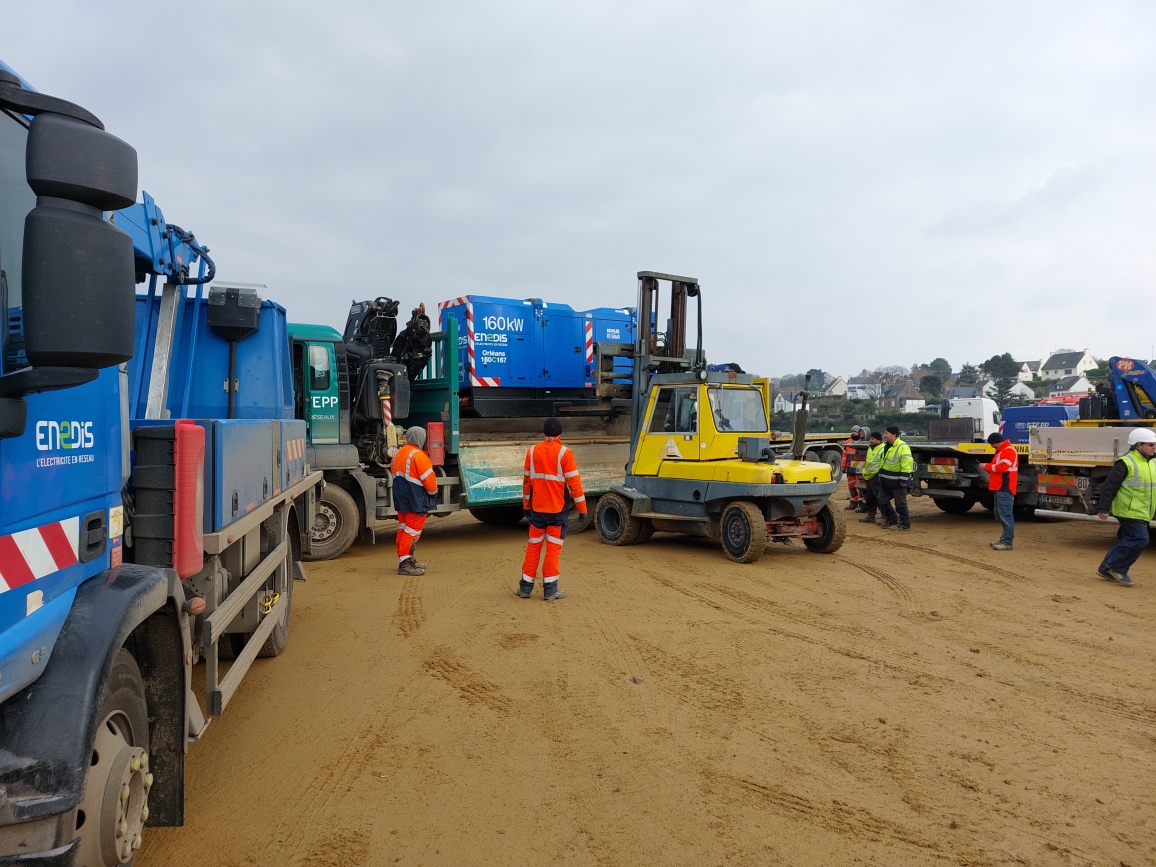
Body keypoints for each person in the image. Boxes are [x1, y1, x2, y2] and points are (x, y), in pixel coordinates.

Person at [519, 418, 587, 601]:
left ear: (544, 433)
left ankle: (525, 588)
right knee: (552, 550)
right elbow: (575, 485)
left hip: (537, 511)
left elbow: (526, 483)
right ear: (560, 434)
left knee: (533, 548)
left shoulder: (532, 452)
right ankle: (550, 590)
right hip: (557, 512)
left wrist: (526, 506)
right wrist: (582, 509)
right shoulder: (565, 453)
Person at [1094, 427, 1156, 587]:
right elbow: (1109, 486)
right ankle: (1117, 568)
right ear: (1139, 446)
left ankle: (1105, 568)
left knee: (1126, 539)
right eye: (1151, 445)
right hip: (1128, 510)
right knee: (1140, 538)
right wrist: (1103, 508)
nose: (1154, 448)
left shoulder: (1153, 462)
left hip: (1143, 511)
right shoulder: (1126, 462)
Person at [390, 426, 439, 576]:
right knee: (412, 531)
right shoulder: (418, 455)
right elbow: (429, 480)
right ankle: (405, 563)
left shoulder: (398, 454)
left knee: (403, 528)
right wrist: (433, 493)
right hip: (415, 498)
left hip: (401, 497)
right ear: (420, 438)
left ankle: (406, 559)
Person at [982, 432, 1018, 551]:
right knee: (999, 514)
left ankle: (1007, 542)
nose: (992, 447)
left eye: (992, 445)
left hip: (1004, 487)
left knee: (1005, 515)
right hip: (1000, 486)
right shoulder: (1003, 450)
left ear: (996, 442)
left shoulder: (1008, 450)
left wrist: (986, 466)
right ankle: (1004, 539)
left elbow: (1003, 468)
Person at [877, 425, 914, 530]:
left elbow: (907, 463)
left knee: (900, 504)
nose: (884, 435)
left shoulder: (902, 446)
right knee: (881, 501)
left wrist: (904, 479)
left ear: (894, 434)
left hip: (898, 482)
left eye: (886, 433)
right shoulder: (885, 446)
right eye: (884, 433)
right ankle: (892, 519)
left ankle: (905, 525)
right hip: (886, 481)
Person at [859, 430, 885, 524]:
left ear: (878, 440)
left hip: (876, 475)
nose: (870, 440)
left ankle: (884, 515)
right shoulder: (870, 448)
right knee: (870, 497)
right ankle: (871, 515)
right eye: (870, 438)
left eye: (873, 439)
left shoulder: (882, 448)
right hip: (869, 475)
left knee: (879, 496)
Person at [841, 425, 867, 511]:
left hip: (858, 467)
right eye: (852, 431)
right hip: (850, 467)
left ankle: (860, 503)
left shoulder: (862, 442)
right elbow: (844, 455)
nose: (853, 433)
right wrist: (843, 466)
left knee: (859, 485)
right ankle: (854, 501)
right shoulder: (848, 442)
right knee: (851, 485)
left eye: (855, 431)